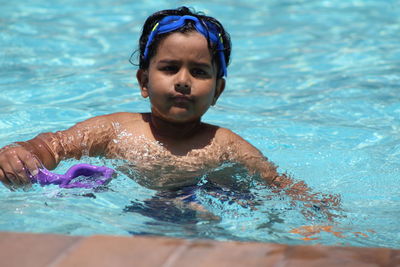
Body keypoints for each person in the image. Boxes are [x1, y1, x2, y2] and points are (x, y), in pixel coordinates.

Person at [0, 7, 338, 214]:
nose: (183, 81)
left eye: (200, 72)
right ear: (144, 81)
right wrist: (22, 154)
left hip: (204, 207)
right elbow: (54, 146)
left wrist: (319, 212)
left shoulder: (225, 146)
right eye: (170, 68)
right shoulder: (115, 130)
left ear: (218, 91)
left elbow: (280, 186)